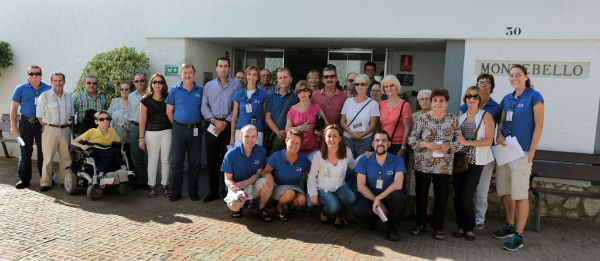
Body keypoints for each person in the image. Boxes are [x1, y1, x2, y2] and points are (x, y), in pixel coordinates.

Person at [493, 64, 544, 252]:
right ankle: (509, 225)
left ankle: (519, 235)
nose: (514, 78)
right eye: (511, 75)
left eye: (518, 75)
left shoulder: (534, 96)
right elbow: (501, 122)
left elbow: (539, 125)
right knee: (505, 191)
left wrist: (532, 150)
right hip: (506, 151)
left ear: (526, 77)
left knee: (520, 194)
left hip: (522, 152)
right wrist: (498, 135)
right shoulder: (506, 98)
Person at [408, 88, 462, 240]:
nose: (438, 104)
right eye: (435, 101)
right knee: (421, 195)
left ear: (447, 102)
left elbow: (460, 141)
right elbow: (412, 140)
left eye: (441, 101)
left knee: (441, 197)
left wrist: (449, 145)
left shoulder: (453, 119)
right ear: (431, 102)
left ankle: (438, 227)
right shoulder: (422, 119)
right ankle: (419, 224)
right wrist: (426, 144)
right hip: (423, 164)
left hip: (444, 166)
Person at [459, 74, 502, 230]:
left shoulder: (496, 108)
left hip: (485, 154)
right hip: (466, 157)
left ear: (491, 86)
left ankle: (479, 219)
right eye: (480, 83)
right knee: (467, 190)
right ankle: (466, 219)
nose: (483, 85)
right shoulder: (464, 110)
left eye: (486, 83)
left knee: (482, 189)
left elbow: (497, 130)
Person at [452, 86, 494, 241]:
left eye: (475, 96)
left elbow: (489, 140)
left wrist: (467, 142)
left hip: (476, 161)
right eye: (469, 96)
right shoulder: (460, 117)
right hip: (459, 161)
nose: (471, 98)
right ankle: (461, 226)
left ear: (480, 99)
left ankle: (469, 227)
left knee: (467, 196)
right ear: (465, 99)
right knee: (457, 195)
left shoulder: (486, 116)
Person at [352, 130, 406, 241]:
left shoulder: (398, 160)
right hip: (371, 194)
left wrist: (379, 198)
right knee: (358, 210)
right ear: (373, 144)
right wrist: (378, 202)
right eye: (377, 140)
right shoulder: (364, 160)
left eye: (383, 140)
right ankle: (372, 221)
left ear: (389, 144)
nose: (380, 143)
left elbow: (398, 184)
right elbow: (361, 186)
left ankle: (392, 229)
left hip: (388, 195)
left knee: (399, 197)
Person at [202, 57, 242, 202]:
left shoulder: (237, 86)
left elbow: (237, 108)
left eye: (226, 66)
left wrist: (225, 122)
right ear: (216, 68)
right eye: (220, 66)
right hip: (212, 126)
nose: (223, 69)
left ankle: (226, 190)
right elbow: (204, 106)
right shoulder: (209, 85)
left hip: (227, 126)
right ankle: (213, 191)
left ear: (229, 68)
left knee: (227, 160)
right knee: (212, 160)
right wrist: (214, 121)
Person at [307, 125, 359, 228]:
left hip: (340, 187)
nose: (332, 139)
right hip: (323, 189)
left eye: (335, 136)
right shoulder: (318, 155)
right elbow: (312, 176)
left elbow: (352, 164)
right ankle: (324, 212)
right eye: (329, 136)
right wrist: (312, 194)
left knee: (351, 198)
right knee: (333, 206)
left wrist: (363, 156)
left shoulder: (346, 151)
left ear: (340, 138)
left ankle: (339, 215)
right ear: (324, 138)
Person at [166, 62, 204, 202]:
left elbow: (204, 109)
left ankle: (193, 192)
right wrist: (177, 125)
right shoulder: (174, 91)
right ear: (181, 74)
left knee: (195, 163)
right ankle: (175, 192)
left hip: (195, 130)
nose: (187, 75)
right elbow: (169, 111)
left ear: (194, 74)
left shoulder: (201, 90)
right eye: (185, 72)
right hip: (179, 130)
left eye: (190, 72)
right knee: (177, 163)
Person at [10, 65, 52, 189]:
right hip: (25, 123)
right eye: (31, 74)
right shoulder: (20, 89)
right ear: (27, 75)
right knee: (25, 151)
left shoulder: (48, 88)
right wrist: (13, 126)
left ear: (41, 75)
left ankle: (45, 179)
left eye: (37, 74)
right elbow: (14, 108)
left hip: (42, 124)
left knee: (44, 152)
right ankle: (24, 179)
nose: (34, 76)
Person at [222, 125, 271, 221]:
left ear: (257, 137)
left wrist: (246, 182)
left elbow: (258, 173)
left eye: (253, 136)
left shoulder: (261, 151)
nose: (250, 139)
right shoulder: (230, 154)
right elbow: (227, 179)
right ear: (240, 137)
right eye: (247, 136)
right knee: (234, 206)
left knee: (267, 181)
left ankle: (261, 209)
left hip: (252, 185)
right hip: (237, 186)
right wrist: (238, 191)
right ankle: (238, 208)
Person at [260, 129, 312, 222]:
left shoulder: (303, 159)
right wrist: (269, 176)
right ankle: (279, 209)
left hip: (295, 187)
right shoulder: (276, 156)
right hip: (278, 187)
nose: (294, 146)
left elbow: (310, 176)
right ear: (286, 141)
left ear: (300, 145)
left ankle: (289, 206)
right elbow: (264, 172)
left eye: (297, 143)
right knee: (289, 194)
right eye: (292, 142)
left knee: (301, 200)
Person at [36, 72, 73, 192]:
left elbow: (71, 114)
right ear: (51, 82)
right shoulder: (44, 96)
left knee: (66, 157)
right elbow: (40, 117)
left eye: (60, 80)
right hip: (50, 129)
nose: (58, 83)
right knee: (48, 158)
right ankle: (46, 182)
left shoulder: (69, 96)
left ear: (64, 81)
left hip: (66, 129)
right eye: (55, 81)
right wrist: (49, 127)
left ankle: (64, 180)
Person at [139, 73, 172, 198]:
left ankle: (165, 185)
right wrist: (141, 138)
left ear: (164, 85)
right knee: (152, 160)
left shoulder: (169, 97)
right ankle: (151, 187)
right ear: (151, 84)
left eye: (160, 82)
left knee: (165, 160)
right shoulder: (145, 100)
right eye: (155, 82)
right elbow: (142, 121)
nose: (157, 84)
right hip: (151, 133)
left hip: (167, 132)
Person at [71, 110, 126, 177]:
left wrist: (121, 150)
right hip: (95, 152)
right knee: (109, 153)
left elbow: (120, 143)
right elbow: (73, 142)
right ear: (96, 122)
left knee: (115, 150)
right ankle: (100, 175)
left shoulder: (112, 131)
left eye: (107, 119)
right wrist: (82, 146)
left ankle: (124, 170)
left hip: (107, 150)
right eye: (101, 119)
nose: (105, 121)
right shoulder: (91, 131)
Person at [285, 81, 329, 160]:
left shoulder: (317, 107)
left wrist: (321, 131)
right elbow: (287, 129)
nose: (302, 93)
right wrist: (300, 128)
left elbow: (327, 126)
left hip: (314, 149)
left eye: (305, 90)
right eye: (299, 91)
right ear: (297, 94)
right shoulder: (292, 110)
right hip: (297, 149)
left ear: (309, 92)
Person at [340, 74, 379, 157]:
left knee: (362, 165)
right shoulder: (348, 101)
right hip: (348, 138)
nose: (359, 86)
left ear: (368, 85)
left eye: (362, 84)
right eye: (357, 84)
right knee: (349, 166)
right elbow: (342, 122)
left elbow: (373, 125)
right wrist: (351, 133)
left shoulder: (373, 104)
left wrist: (361, 136)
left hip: (365, 139)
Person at [230, 66, 268, 146]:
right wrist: (232, 137)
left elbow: (264, 116)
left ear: (258, 77)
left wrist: (265, 134)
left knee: (256, 158)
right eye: (249, 74)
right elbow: (234, 117)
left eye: (254, 74)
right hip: (240, 131)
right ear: (246, 77)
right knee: (240, 157)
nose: (251, 77)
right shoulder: (238, 94)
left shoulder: (263, 94)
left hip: (257, 132)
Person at [265, 67, 299, 154]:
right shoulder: (271, 97)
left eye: (285, 77)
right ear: (277, 81)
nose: (283, 80)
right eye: (280, 78)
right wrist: (278, 132)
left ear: (291, 79)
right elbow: (267, 117)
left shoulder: (297, 97)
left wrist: (286, 131)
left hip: (292, 137)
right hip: (275, 136)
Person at [379, 75, 412, 158]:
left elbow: (407, 129)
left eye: (391, 85)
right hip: (383, 144)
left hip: (398, 145)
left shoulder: (405, 105)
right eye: (386, 86)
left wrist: (403, 148)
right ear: (383, 89)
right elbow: (378, 126)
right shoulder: (381, 104)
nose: (389, 88)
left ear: (396, 86)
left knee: (397, 171)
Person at [128, 73, 149, 190]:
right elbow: (130, 111)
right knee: (136, 155)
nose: (139, 83)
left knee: (148, 156)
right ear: (134, 83)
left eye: (141, 81)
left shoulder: (151, 94)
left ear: (145, 81)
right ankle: (140, 180)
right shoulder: (131, 96)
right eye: (136, 81)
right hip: (135, 127)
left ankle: (149, 182)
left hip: (148, 128)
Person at [107, 81, 132, 169]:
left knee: (129, 161)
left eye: (126, 89)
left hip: (129, 138)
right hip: (116, 138)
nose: (124, 91)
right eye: (122, 89)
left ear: (130, 91)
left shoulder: (133, 103)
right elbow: (108, 115)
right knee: (115, 162)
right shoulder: (115, 101)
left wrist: (131, 127)